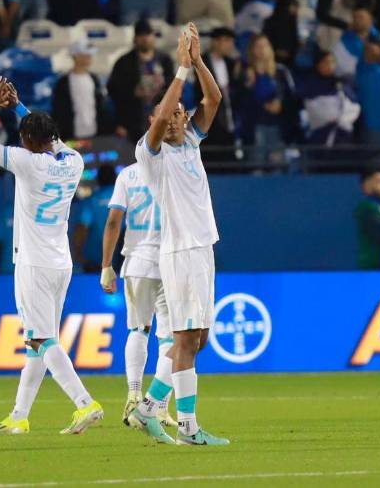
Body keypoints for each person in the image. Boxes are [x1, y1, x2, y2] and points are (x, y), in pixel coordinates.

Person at [0, 76, 104, 436]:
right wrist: (17, 106)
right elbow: (49, 137)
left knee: (42, 340)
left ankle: (85, 403)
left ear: (27, 140)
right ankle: (19, 416)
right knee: (37, 342)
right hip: (61, 262)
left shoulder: (26, 162)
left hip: (33, 263)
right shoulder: (74, 161)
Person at [130, 23, 229, 446]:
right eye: (166, 114)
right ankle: (185, 425)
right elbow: (160, 119)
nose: (173, 119)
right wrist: (181, 69)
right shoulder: (149, 153)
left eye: (178, 113)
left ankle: (150, 407)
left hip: (201, 247)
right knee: (187, 338)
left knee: (198, 338)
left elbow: (215, 99)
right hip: (181, 250)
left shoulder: (190, 140)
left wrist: (199, 61)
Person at [100, 161, 178, 430]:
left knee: (138, 330)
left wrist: (106, 265)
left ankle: (134, 396)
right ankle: (160, 406)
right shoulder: (176, 167)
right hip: (171, 262)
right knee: (170, 338)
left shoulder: (127, 174)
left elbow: (114, 221)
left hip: (137, 264)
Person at [108, 19, 174, 144]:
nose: (145, 39)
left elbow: (174, 90)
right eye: (141, 35)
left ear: (154, 36)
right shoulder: (123, 62)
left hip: (160, 122)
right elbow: (113, 91)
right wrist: (132, 92)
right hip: (132, 123)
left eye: (148, 34)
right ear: (135, 38)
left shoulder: (165, 61)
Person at [242, 34, 295, 165]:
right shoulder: (246, 72)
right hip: (255, 127)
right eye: (258, 46)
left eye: (265, 46)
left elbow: (292, 98)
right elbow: (240, 103)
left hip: (278, 127)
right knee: (257, 167)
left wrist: (280, 104)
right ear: (252, 50)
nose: (262, 49)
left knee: (278, 168)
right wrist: (249, 85)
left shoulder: (281, 71)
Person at [298, 49, 360, 146]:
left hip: (343, 137)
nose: (330, 65)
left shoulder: (342, 83)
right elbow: (311, 109)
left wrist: (342, 119)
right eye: (325, 62)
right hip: (318, 138)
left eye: (332, 62)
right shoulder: (308, 85)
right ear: (317, 64)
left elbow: (354, 106)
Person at [51, 39, 108, 140]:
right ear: (76, 56)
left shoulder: (94, 79)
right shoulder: (63, 82)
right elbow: (59, 110)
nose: (90, 57)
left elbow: (100, 106)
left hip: (95, 133)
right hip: (71, 134)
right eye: (86, 54)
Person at [196, 27, 240, 155]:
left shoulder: (232, 64)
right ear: (215, 42)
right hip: (209, 122)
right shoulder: (201, 62)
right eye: (227, 41)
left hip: (229, 120)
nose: (230, 45)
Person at [73, 164, 118, 272]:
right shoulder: (126, 199)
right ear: (116, 179)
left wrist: (79, 257)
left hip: (96, 265)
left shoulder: (91, 201)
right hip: (122, 262)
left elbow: (82, 229)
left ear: (98, 180)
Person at [332, 0, 379, 81]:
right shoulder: (344, 39)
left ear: (370, 19)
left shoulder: (379, 39)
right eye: (354, 17)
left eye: (361, 17)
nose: (357, 20)